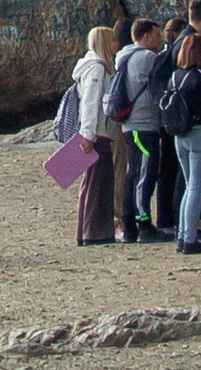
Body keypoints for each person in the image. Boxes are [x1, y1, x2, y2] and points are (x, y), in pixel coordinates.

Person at [162, 29, 201, 256]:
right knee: (197, 186)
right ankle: (190, 238)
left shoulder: (175, 75)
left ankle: (183, 235)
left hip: (180, 135)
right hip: (199, 133)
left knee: (189, 186)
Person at [115, 17, 172, 242]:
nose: (160, 40)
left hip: (130, 124)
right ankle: (144, 224)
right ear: (145, 36)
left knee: (134, 173)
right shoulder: (147, 57)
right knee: (144, 174)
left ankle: (130, 226)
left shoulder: (123, 56)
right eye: (157, 35)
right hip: (143, 123)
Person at [68, 24, 119, 245]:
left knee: (91, 183)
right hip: (97, 134)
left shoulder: (89, 66)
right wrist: (88, 134)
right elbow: (90, 102)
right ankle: (95, 232)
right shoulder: (97, 68)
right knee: (98, 183)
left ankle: (88, 230)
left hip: (94, 132)